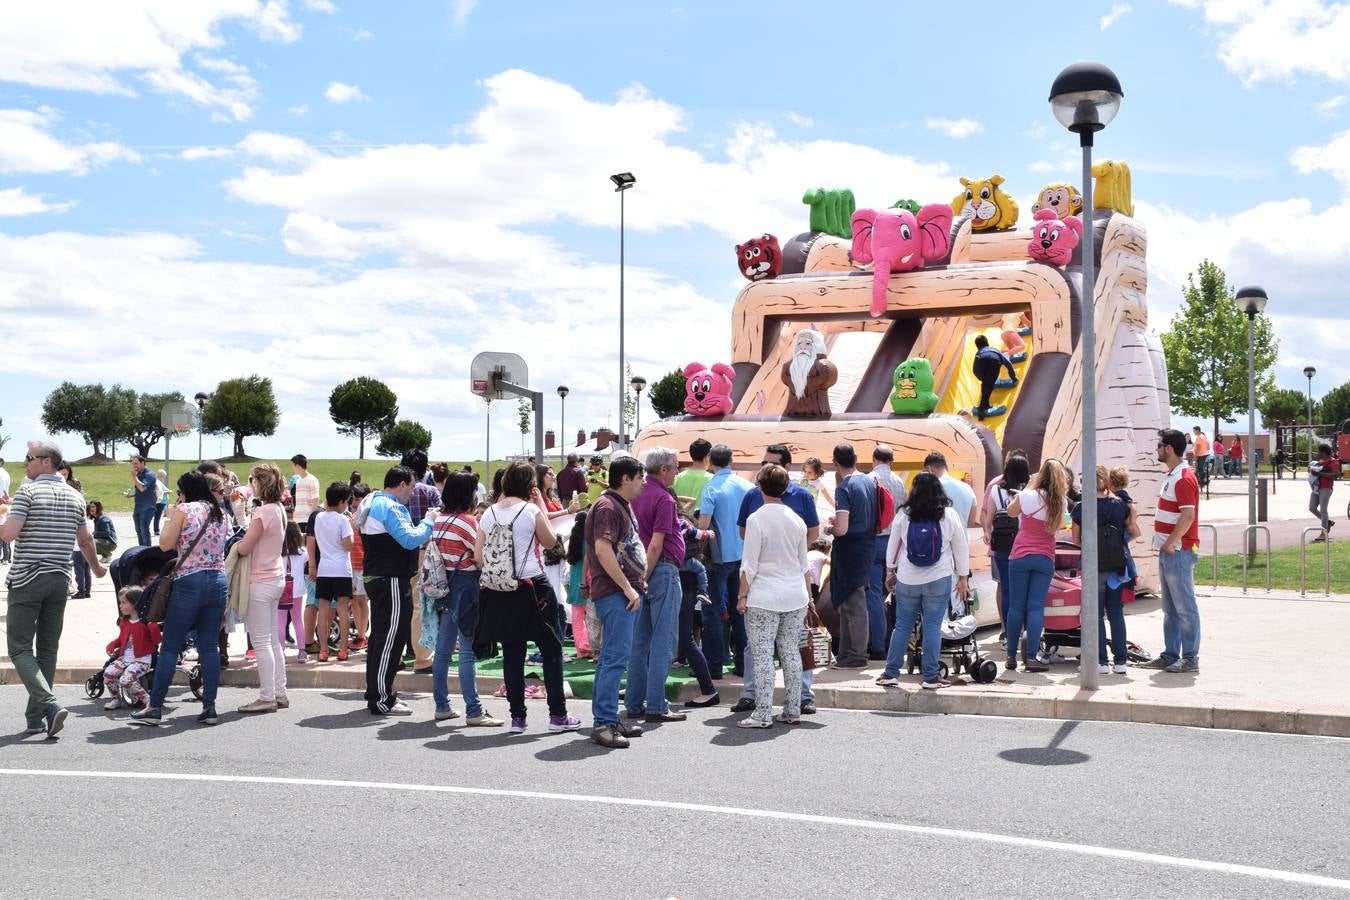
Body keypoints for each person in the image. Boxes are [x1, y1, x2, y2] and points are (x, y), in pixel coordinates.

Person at [1, 441, 106, 736]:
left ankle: (48, 703)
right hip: (60, 578)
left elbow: (8, 535)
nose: (25, 463)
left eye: (29, 458)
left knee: (19, 648)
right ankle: (36, 717)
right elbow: (85, 541)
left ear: (45, 462)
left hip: (27, 578)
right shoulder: (75, 496)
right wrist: (97, 569)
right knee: (48, 649)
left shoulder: (27, 491)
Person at [476, 461, 581, 735]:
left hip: (499, 589)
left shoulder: (488, 513)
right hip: (533, 585)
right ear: (530, 485)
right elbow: (550, 543)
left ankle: (517, 718)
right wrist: (539, 509)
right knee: (552, 651)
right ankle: (557, 716)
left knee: (512, 653)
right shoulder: (531, 509)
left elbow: (478, 557)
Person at [130, 470, 231, 726]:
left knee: (171, 645)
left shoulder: (185, 510)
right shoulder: (221, 513)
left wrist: (172, 515)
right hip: (217, 580)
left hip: (190, 581)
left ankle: (155, 706)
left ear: (185, 490)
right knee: (209, 646)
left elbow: (165, 544)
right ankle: (209, 707)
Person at [732, 444, 820, 714]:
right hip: (794, 591)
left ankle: (762, 710)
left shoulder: (759, 517)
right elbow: (805, 558)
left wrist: (742, 596)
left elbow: (749, 562)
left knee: (762, 654)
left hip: (764, 593)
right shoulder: (796, 519)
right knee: (791, 651)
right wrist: (809, 596)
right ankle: (793, 708)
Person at [876, 471, 971, 689]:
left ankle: (891, 673)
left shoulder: (905, 514)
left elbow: (893, 545)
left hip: (908, 580)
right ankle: (930, 676)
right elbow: (960, 547)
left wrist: (890, 571)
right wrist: (963, 577)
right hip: (939, 578)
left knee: (902, 626)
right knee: (932, 627)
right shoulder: (948, 514)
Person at [359, 466, 436, 715]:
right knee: (390, 639)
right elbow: (410, 539)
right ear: (401, 484)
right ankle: (382, 697)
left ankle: (381, 693)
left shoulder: (373, 500)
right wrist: (428, 521)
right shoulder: (390, 506)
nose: (412, 494)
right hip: (389, 577)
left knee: (382, 637)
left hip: (380, 576)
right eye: (412, 487)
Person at [586, 455, 649, 749]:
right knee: (614, 659)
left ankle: (607, 718)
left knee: (612, 658)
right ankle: (604, 722)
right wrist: (627, 588)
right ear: (625, 478)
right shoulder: (608, 506)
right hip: (615, 593)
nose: (643, 483)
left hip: (620, 591)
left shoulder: (616, 505)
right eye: (640, 478)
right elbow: (603, 549)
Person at [429, 470, 501, 726]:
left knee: (443, 650)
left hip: (444, 584)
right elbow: (480, 555)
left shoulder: (438, 519)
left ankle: (442, 705)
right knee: (467, 649)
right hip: (466, 585)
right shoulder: (468, 522)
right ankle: (474, 710)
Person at [624, 447, 688, 723]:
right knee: (663, 641)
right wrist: (645, 577)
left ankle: (635, 701)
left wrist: (639, 578)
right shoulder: (663, 498)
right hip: (660, 571)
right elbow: (656, 544)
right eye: (674, 467)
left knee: (640, 642)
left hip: (641, 572)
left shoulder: (636, 494)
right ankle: (656, 705)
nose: (676, 471)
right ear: (663, 469)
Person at [1142, 428, 1203, 673]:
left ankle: (1190, 657)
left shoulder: (1183, 477)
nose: (1156, 449)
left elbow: (1188, 515)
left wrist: (1170, 542)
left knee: (1185, 606)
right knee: (1170, 608)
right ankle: (1170, 653)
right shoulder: (1174, 475)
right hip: (1169, 550)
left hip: (1177, 550)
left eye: (1159, 445)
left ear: (1168, 448)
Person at [1072, 466, 1140, 675]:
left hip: (1095, 566)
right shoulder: (1120, 505)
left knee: (1095, 615)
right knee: (1116, 613)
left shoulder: (1082, 507)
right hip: (1117, 567)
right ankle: (1120, 661)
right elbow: (1130, 530)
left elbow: (1076, 539)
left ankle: (1101, 661)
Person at [233, 463, 290, 713]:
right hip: (275, 577)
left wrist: (239, 516)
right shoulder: (278, 509)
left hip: (260, 580)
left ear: (259, 483)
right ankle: (279, 692)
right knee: (273, 640)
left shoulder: (263, 512)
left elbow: (244, 547)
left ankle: (267, 696)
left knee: (261, 642)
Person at [1003, 457, 1069, 673]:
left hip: (1020, 555)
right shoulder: (1060, 501)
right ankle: (1031, 657)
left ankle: (1011, 657)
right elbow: (1060, 525)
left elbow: (1010, 513)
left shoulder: (1027, 495)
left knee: (1015, 607)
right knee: (1035, 607)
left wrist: (1030, 487)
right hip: (1044, 558)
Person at [697, 444, 754, 678]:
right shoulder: (748, 487)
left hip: (718, 558)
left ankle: (714, 666)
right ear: (732, 459)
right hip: (744, 556)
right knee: (740, 610)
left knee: (711, 612)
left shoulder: (711, 489)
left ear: (710, 460)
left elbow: (703, 526)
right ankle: (742, 664)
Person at [825, 442, 876, 668]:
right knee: (850, 602)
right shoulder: (868, 481)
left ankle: (856, 655)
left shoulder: (844, 488)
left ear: (835, 463)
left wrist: (829, 530)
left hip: (849, 550)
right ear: (856, 458)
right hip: (866, 547)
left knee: (853, 604)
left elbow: (842, 529)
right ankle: (847, 654)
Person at [982, 453, 1030, 640]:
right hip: (1024, 544)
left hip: (1001, 544)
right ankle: (1026, 630)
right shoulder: (1029, 492)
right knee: (1024, 589)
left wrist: (987, 532)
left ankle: (1009, 632)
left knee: (1006, 588)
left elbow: (989, 518)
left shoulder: (995, 490)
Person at [866, 445, 907, 656]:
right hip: (896, 543)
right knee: (894, 592)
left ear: (874, 459)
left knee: (873, 593)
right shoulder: (899, 482)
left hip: (874, 541)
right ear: (892, 460)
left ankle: (877, 646)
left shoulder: (868, 479)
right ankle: (896, 642)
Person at [308, 482, 354, 662]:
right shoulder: (343, 519)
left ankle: (323, 650)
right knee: (342, 610)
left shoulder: (319, 517)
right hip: (342, 569)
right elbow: (348, 545)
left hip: (324, 568)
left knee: (323, 610)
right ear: (342, 501)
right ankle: (343, 650)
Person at [102, 586, 160, 710]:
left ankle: (148, 700)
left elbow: (157, 641)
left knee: (125, 680)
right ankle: (115, 699)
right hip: (125, 658)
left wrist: (154, 629)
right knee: (108, 673)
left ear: (136, 603)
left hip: (142, 660)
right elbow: (121, 639)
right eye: (120, 603)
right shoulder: (124, 622)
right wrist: (112, 645)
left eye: (124, 602)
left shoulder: (146, 623)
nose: (120, 606)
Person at [565, 511, 593, 659]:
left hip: (574, 584)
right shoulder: (589, 540)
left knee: (577, 619)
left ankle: (581, 649)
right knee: (591, 618)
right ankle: (589, 646)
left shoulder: (573, 540)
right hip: (587, 582)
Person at [924, 451, 976, 527]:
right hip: (963, 537)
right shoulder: (968, 488)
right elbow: (971, 524)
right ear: (946, 467)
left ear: (929, 469)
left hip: (940, 538)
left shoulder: (931, 488)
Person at [972, 334, 1017, 421]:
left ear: (977, 346)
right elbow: (1008, 364)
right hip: (994, 360)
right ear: (987, 343)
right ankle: (983, 408)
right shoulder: (995, 350)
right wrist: (1013, 378)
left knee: (986, 384)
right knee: (988, 384)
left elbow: (975, 369)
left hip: (980, 362)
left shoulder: (979, 352)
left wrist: (982, 378)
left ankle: (983, 406)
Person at [672, 438, 714, 515]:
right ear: (707, 456)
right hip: (701, 524)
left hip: (680, 523)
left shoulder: (676, 478)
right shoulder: (713, 479)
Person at [1310, 443, 1342, 541]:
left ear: (1323, 452)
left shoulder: (1334, 462)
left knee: (1323, 510)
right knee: (1312, 508)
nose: (1318, 453)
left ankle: (1323, 533)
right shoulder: (1321, 462)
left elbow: (1336, 475)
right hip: (1316, 488)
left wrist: (1319, 473)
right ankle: (1327, 522)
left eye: (1319, 451)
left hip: (1326, 488)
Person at [129, 454, 158, 547]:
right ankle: (141, 552)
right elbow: (142, 491)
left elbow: (142, 488)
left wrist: (134, 477)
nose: (134, 466)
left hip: (148, 507)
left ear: (142, 463)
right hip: (138, 507)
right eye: (133, 464)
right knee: (139, 531)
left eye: (136, 463)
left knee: (144, 531)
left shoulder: (149, 474)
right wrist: (131, 495)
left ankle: (147, 553)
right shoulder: (139, 474)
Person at [291, 455, 321, 532]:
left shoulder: (312, 480)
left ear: (297, 466)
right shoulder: (298, 481)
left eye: (293, 465)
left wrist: (312, 520)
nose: (292, 468)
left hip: (307, 520)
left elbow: (315, 500)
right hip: (297, 520)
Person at [153, 468, 170, 536]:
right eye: (164, 477)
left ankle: (156, 530)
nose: (164, 478)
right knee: (157, 516)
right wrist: (168, 491)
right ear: (161, 476)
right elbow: (159, 491)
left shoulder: (159, 483)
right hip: (160, 502)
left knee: (157, 516)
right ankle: (156, 530)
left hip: (162, 502)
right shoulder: (158, 482)